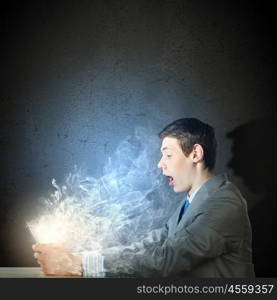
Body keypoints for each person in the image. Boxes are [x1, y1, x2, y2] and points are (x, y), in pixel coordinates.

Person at [33, 118, 255, 277]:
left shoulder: (224, 203)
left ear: (195, 154)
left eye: (168, 154)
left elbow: (167, 260)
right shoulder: (192, 202)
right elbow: (149, 246)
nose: (160, 163)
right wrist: (77, 257)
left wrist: (80, 267)